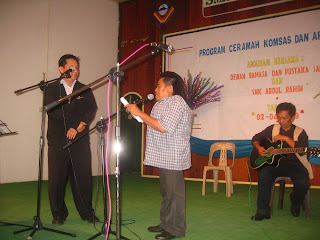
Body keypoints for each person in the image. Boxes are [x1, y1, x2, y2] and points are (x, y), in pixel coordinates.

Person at [125, 71, 193, 240]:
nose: (155, 89)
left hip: (173, 155)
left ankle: (175, 229)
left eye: (159, 85)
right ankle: (165, 223)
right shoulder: (160, 104)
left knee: (174, 193)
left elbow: (163, 127)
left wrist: (140, 113)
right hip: (164, 154)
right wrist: (138, 115)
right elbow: (152, 123)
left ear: (170, 88)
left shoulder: (177, 102)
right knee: (166, 191)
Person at [45, 54, 98, 225]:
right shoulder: (51, 89)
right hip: (58, 139)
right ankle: (59, 213)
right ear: (61, 69)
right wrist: (70, 126)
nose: (76, 70)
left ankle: (87, 212)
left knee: (82, 176)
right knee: (57, 178)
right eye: (72, 67)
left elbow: (91, 109)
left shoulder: (84, 89)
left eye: (77, 67)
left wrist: (80, 125)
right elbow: (52, 111)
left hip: (80, 138)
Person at [251, 102, 313, 221]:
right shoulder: (273, 128)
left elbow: (301, 151)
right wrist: (259, 148)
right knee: (263, 174)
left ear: (293, 117)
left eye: (284, 118)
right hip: (276, 165)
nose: (281, 121)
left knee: (303, 184)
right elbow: (256, 138)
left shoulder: (300, 132)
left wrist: (286, 138)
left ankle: (295, 202)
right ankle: (263, 210)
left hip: (296, 165)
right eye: (279, 117)